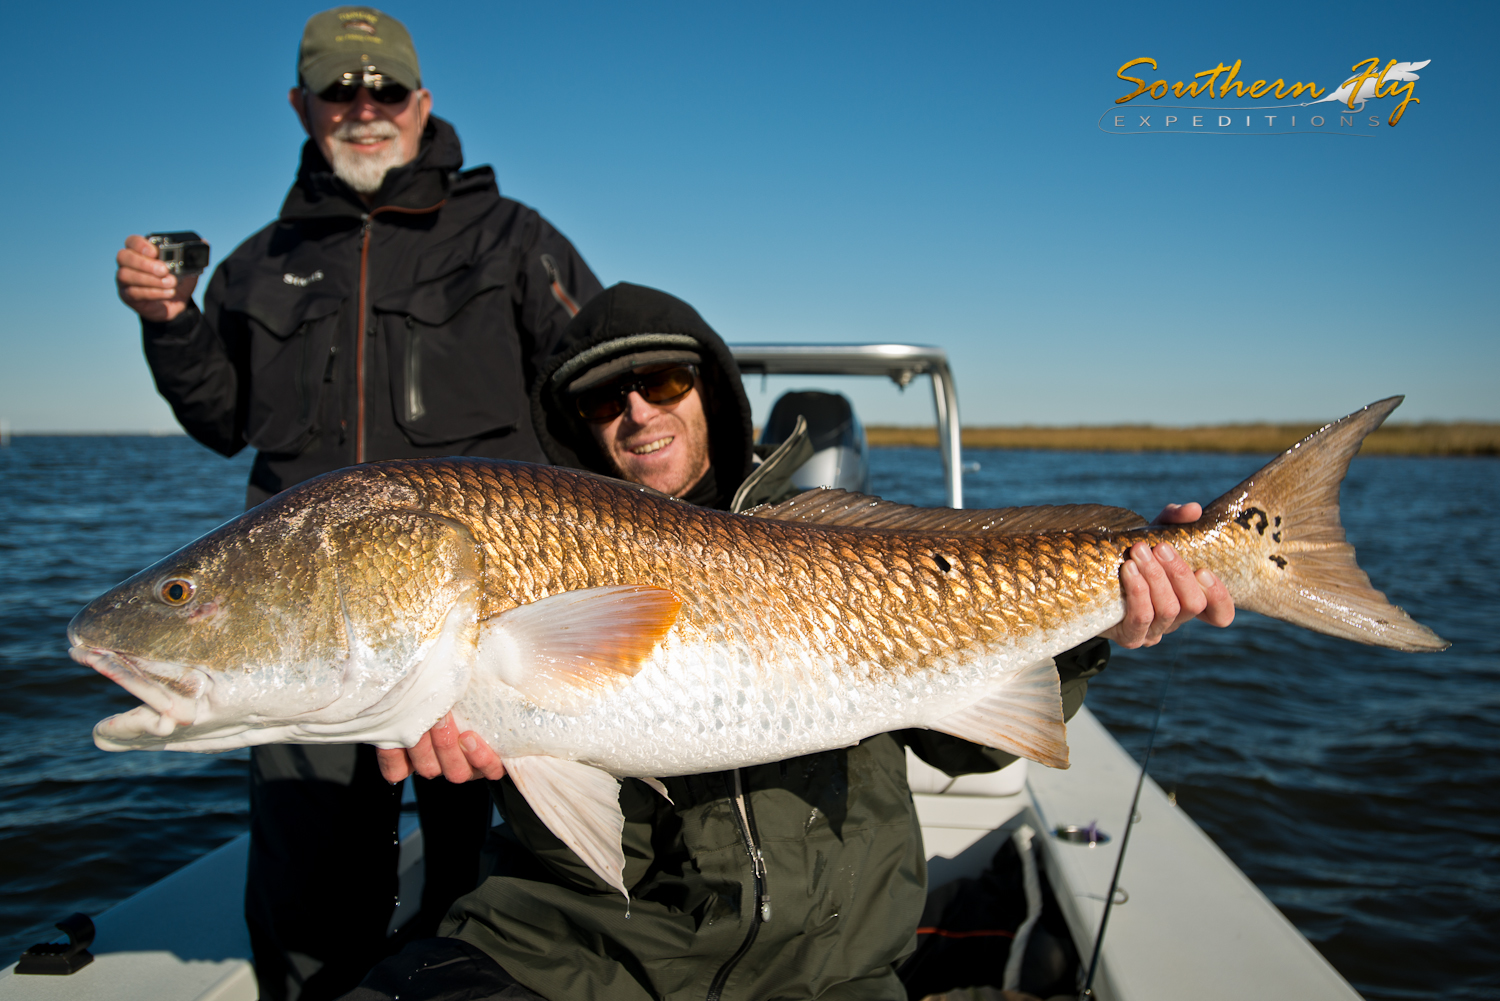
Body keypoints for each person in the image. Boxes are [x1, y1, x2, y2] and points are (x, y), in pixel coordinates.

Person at [349, 283, 1234, 1001]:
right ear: (575, 421)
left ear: (710, 392)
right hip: (583, 954)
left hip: (831, 968)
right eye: (599, 396)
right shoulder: (521, 534)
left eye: (661, 381)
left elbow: (963, 747)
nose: (635, 412)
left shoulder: (820, 531)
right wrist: (467, 732)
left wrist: (1095, 627)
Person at [112, 9, 603, 1000]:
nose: (363, 109)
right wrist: (171, 325)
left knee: (492, 888)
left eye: (385, 91)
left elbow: (596, 385)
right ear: (303, 108)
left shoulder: (515, 240)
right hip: (303, 631)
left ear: (422, 104)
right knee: (307, 894)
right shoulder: (260, 260)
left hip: (486, 619)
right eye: (340, 92)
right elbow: (224, 416)